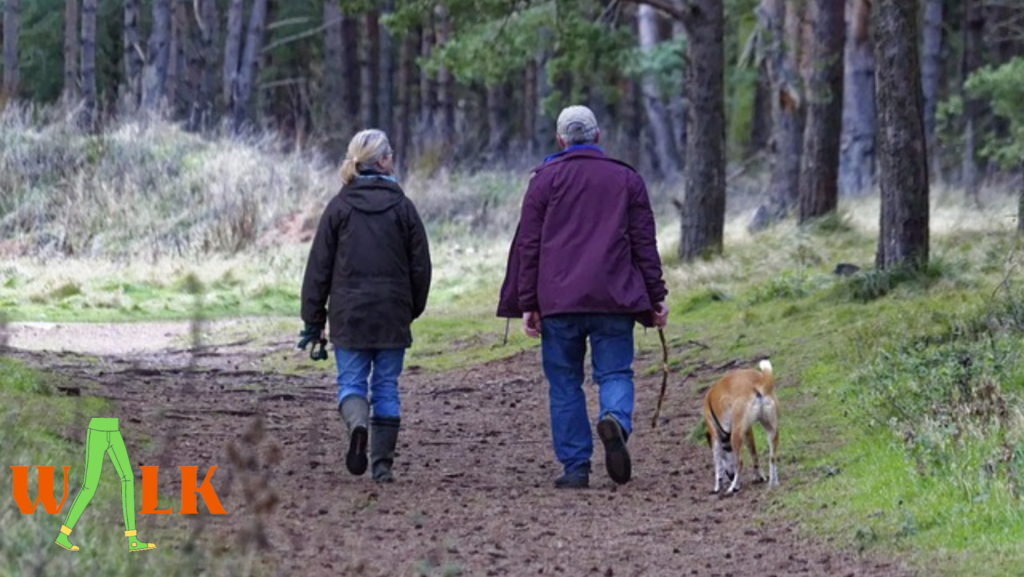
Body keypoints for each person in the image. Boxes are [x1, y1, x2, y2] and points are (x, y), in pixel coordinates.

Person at [497, 105, 669, 489]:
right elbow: (644, 244)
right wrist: (656, 296)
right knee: (615, 372)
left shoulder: (543, 181)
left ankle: (576, 467)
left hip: (559, 303)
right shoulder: (627, 179)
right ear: (597, 136)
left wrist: (528, 303)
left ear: (560, 140)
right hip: (614, 298)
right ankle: (615, 422)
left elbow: (529, 245)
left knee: (564, 383)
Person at [299, 129, 432, 483]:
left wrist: (313, 321)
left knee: (351, 385)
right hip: (392, 313)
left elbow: (318, 269)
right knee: (386, 386)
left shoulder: (339, 207)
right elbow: (421, 267)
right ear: (384, 161)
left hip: (349, 314)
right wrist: (411, 309)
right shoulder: (403, 207)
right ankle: (382, 465)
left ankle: (357, 425)